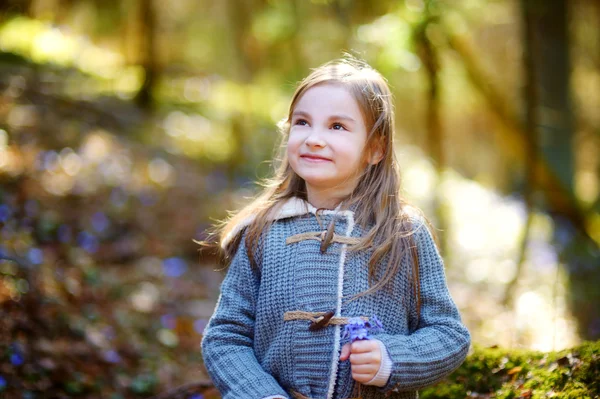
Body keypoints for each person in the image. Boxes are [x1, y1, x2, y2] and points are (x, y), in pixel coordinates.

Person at [200, 55, 471, 399]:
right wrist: (260, 393)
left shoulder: (402, 233)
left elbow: (449, 335)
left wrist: (391, 359)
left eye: (337, 127)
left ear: (375, 149)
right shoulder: (263, 232)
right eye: (302, 122)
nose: (313, 138)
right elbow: (226, 337)